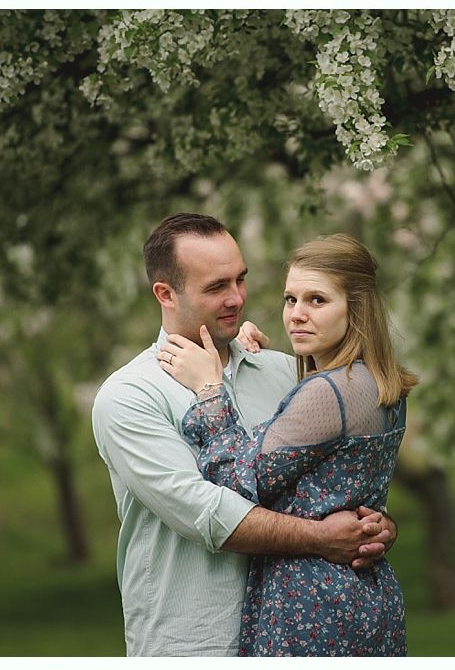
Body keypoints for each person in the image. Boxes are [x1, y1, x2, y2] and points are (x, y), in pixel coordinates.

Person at [92, 214, 397, 656]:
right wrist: (324, 538)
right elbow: (210, 515)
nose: (236, 298)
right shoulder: (129, 396)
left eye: (241, 279)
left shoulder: (280, 370)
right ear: (165, 293)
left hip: (292, 635)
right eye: (216, 287)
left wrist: (373, 525)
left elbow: (329, 479)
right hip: (194, 642)